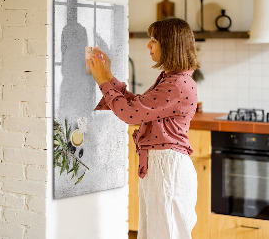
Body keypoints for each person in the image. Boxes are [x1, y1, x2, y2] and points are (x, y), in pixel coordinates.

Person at [86, 17, 200, 239]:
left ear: (170, 45)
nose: (148, 45)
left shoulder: (176, 84)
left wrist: (102, 81)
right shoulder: (172, 79)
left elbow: (130, 114)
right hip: (162, 167)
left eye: (154, 40)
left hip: (167, 169)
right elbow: (137, 106)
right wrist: (108, 76)